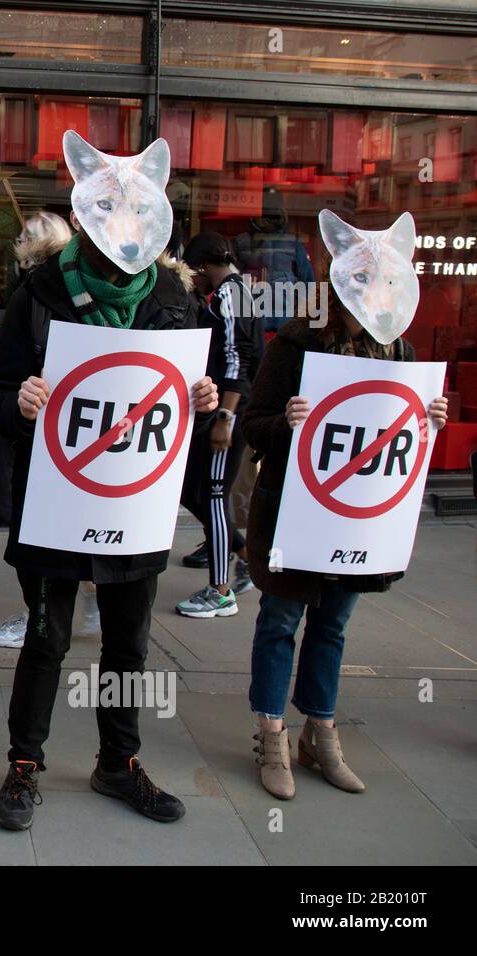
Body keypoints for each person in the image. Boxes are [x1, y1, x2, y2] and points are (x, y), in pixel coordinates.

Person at [0, 132, 219, 832]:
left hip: (134, 498)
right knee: (49, 637)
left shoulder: (173, 296)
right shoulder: (41, 290)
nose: (120, 225)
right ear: (84, 217)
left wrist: (203, 406)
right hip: (57, 497)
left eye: (133, 212)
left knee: (128, 643)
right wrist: (17, 403)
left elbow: (182, 407)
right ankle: (24, 762)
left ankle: (119, 761)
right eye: (106, 211)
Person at [241, 270, 446, 801]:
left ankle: (320, 731)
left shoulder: (399, 350)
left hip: (358, 517)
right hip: (295, 509)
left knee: (332, 623)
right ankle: (271, 735)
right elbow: (252, 423)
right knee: (281, 620)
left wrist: (429, 419)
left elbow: (400, 431)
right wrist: (285, 421)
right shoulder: (293, 345)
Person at [0, 211, 75, 649]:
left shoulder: (39, 290)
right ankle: (49, 615)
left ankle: (40, 617)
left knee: (37, 540)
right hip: (41, 429)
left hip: (48, 440)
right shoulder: (35, 294)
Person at [175, 233, 264, 618]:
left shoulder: (230, 296)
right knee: (197, 490)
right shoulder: (238, 293)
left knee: (212, 493)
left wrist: (225, 418)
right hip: (227, 410)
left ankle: (220, 589)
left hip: (229, 413)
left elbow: (236, 362)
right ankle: (243, 556)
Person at [233, 187, 316, 333]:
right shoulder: (241, 243)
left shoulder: (294, 244)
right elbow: (231, 284)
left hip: (283, 326)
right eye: (267, 207)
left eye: (274, 207)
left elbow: (308, 284)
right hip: (249, 323)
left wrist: (302, 322)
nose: (271, 214)